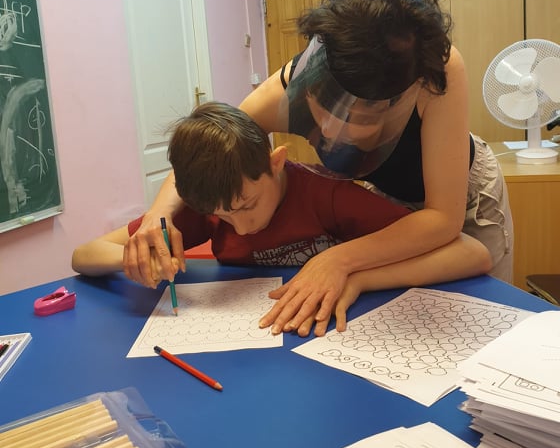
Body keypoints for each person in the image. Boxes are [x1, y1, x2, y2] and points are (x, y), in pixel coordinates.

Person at [123, 0, 512, 334]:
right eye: (326, 107)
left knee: (475, 316)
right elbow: (213, 148)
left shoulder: (435, 69)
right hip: (384, 199)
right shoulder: (285, 88)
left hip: (460, 198)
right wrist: (158, 214)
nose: (333, 130)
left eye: (364, 118)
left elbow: (443, 221)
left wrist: (339, 261)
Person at [73, 102, 492, 336]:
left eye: (247, 205)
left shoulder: (327, 196)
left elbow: (472, 253)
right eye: (222, 216)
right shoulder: (213, 202)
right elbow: (83, 255)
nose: (240, 227)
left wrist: (358, 277)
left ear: (275, 164)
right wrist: (137, 257)